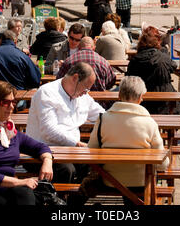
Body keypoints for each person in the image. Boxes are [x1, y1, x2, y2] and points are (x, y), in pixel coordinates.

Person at [68, 76, 169, 207]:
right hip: (140, 182)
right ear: (140, 98)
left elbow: (92, 152)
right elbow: (162, 163)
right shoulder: (150, 123)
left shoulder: (103, 119)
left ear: (119, 95)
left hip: (109, 180)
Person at [26, 62, 104, 183]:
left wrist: (115, 120)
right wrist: (78, 144)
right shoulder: (47, 92)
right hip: (43, 150)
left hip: (70, 150)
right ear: (75, 78)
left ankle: (72, 201)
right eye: (86, 88)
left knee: (94, 167)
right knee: (67, 170)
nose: (86, 92)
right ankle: (60, 200)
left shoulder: (83, 96)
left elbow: (101, 115)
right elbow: (49, 131)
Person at [127, 27, 180, 115]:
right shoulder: (162, 57)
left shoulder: (135, 60)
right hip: (164, 103)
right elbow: (174, 66)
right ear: (156, 43)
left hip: (141, 102)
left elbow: (128, 77)